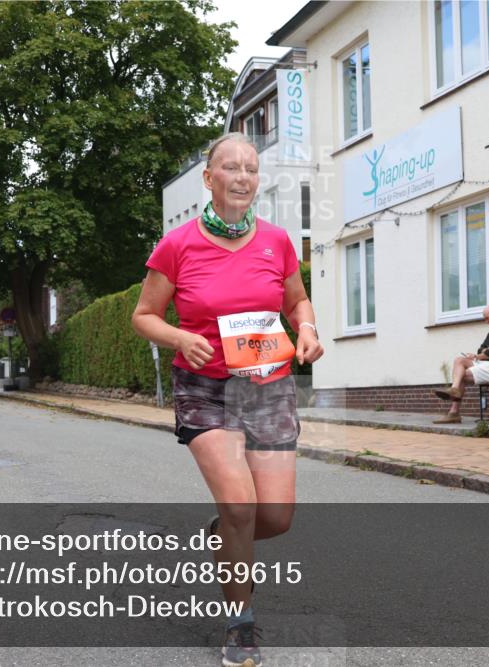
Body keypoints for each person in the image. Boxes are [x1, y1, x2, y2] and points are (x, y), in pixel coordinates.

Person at [132, 132, 323, 667]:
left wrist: (306, 329)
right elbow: (144, 315)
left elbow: (298, 300)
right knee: (241, 505)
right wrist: (178, 338)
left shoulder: (277, 241)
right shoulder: (178, 245)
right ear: (209, 178)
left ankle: (222, 535)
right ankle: (241, 626)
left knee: (276, 517)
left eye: (251, 168)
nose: (242, 176)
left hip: (267, 383)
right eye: (231, 167)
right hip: (206, 387)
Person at [433, 304, 489, 424]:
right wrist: (488, 352)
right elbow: (482, 350)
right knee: (459, 360)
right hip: (485, 365)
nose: (485, 321)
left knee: (461, 374)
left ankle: (454, 413)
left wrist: (487, 353)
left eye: (487, 318)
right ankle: (454, 389)